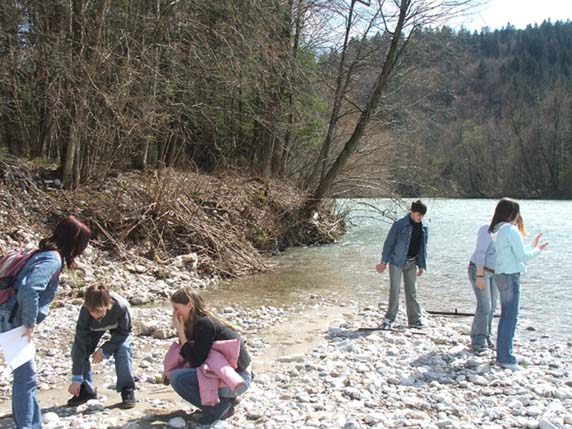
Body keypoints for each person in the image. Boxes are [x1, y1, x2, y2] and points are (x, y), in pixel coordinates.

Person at [0, 216, 90, 429]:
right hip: (13, 318)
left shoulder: (39, 252)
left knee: (25, 376)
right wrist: (29, 323)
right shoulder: (53, 259)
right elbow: (30, 289)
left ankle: (32, 424)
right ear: (75, 243)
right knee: (26, 377)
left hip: (6, 313)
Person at [166, 287, 252, 427]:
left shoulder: (204, 324)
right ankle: (225, 404)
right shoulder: (196, 323)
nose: (174, 313)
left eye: (176, 308)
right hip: (233, 377)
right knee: (179, 374)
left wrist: (180, 332)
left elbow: (195, 361)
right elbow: (189, 355)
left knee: (178, 378)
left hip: (239, 380)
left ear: (189, 306)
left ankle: (218, 407)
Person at [489, 198, 548, 371]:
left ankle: (503, 354)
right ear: (511, 214)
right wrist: (538, 250)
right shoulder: (510, 229)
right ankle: (506, 358)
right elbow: (522, 257)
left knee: (505, 316)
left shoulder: (496, 229)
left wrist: (531, 246)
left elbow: (513, 254)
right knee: (510, 317)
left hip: (500, 275)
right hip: (510, 276)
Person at [67, 284, 136, 408]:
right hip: (93, 329)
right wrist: (77, 378)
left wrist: (105, 350)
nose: (95, 314)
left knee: (124, 350)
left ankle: (127, 389)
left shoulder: (121, 307)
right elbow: (80, 343)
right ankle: (86, 390)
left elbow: (124, 332)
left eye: (99, 311)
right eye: (91, 311)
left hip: (118, 329)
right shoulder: (85, 311)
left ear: (108, 304)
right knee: (77, 351)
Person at [375, 200, 429, 329]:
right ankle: (389, 319)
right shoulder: (399, 224)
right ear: (412, 212)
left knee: (412, 292)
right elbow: (389, 243)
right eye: (418, 215)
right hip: (396, 261)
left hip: (412, 262)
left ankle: (415, 320)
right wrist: (383, 262)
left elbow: (423, 247)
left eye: (422, 216)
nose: (420, 218)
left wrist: (422, 264)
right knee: (395, 291)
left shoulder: (424, 226)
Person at [468, 223, 497, 353]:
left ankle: (487, 336)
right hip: (479, 270)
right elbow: (480, 253)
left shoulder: (506, 231)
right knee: (484, 306)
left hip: (495, 272)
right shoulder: (487, 229)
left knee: (493, 306)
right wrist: (479, 276)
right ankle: (478, 340)